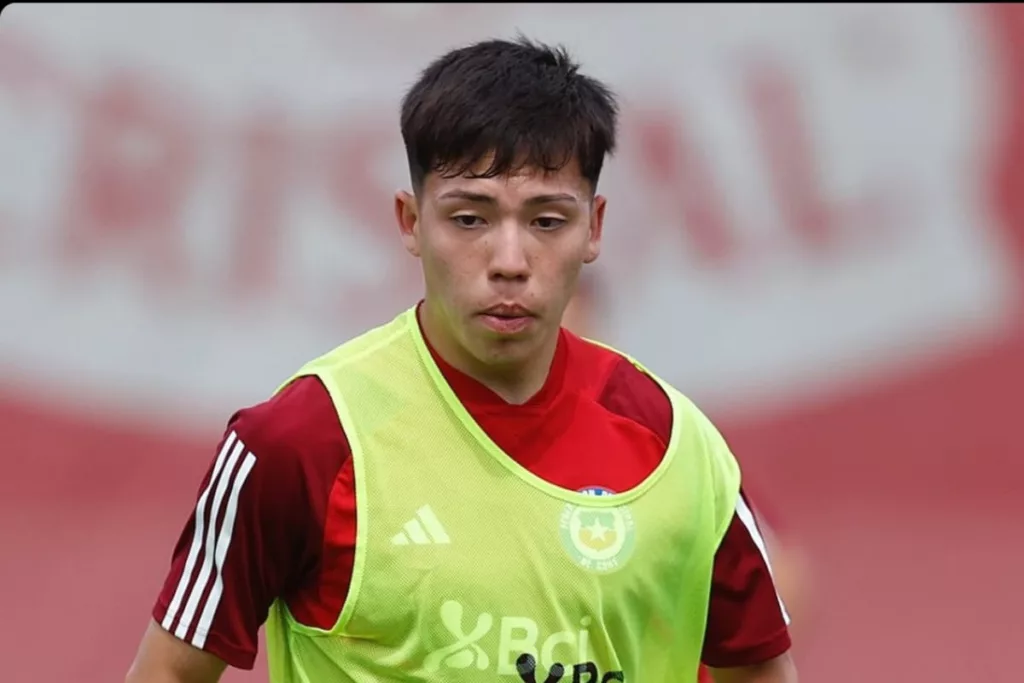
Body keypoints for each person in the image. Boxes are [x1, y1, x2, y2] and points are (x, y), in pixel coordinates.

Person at [126, 37, 798, 683]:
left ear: (594, 227)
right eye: (470, 218)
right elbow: (169, 674)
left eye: (546, 221)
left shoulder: (676, 443)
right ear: (410, 221)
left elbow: (761, 665)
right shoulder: (300, 442)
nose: (509, 262)